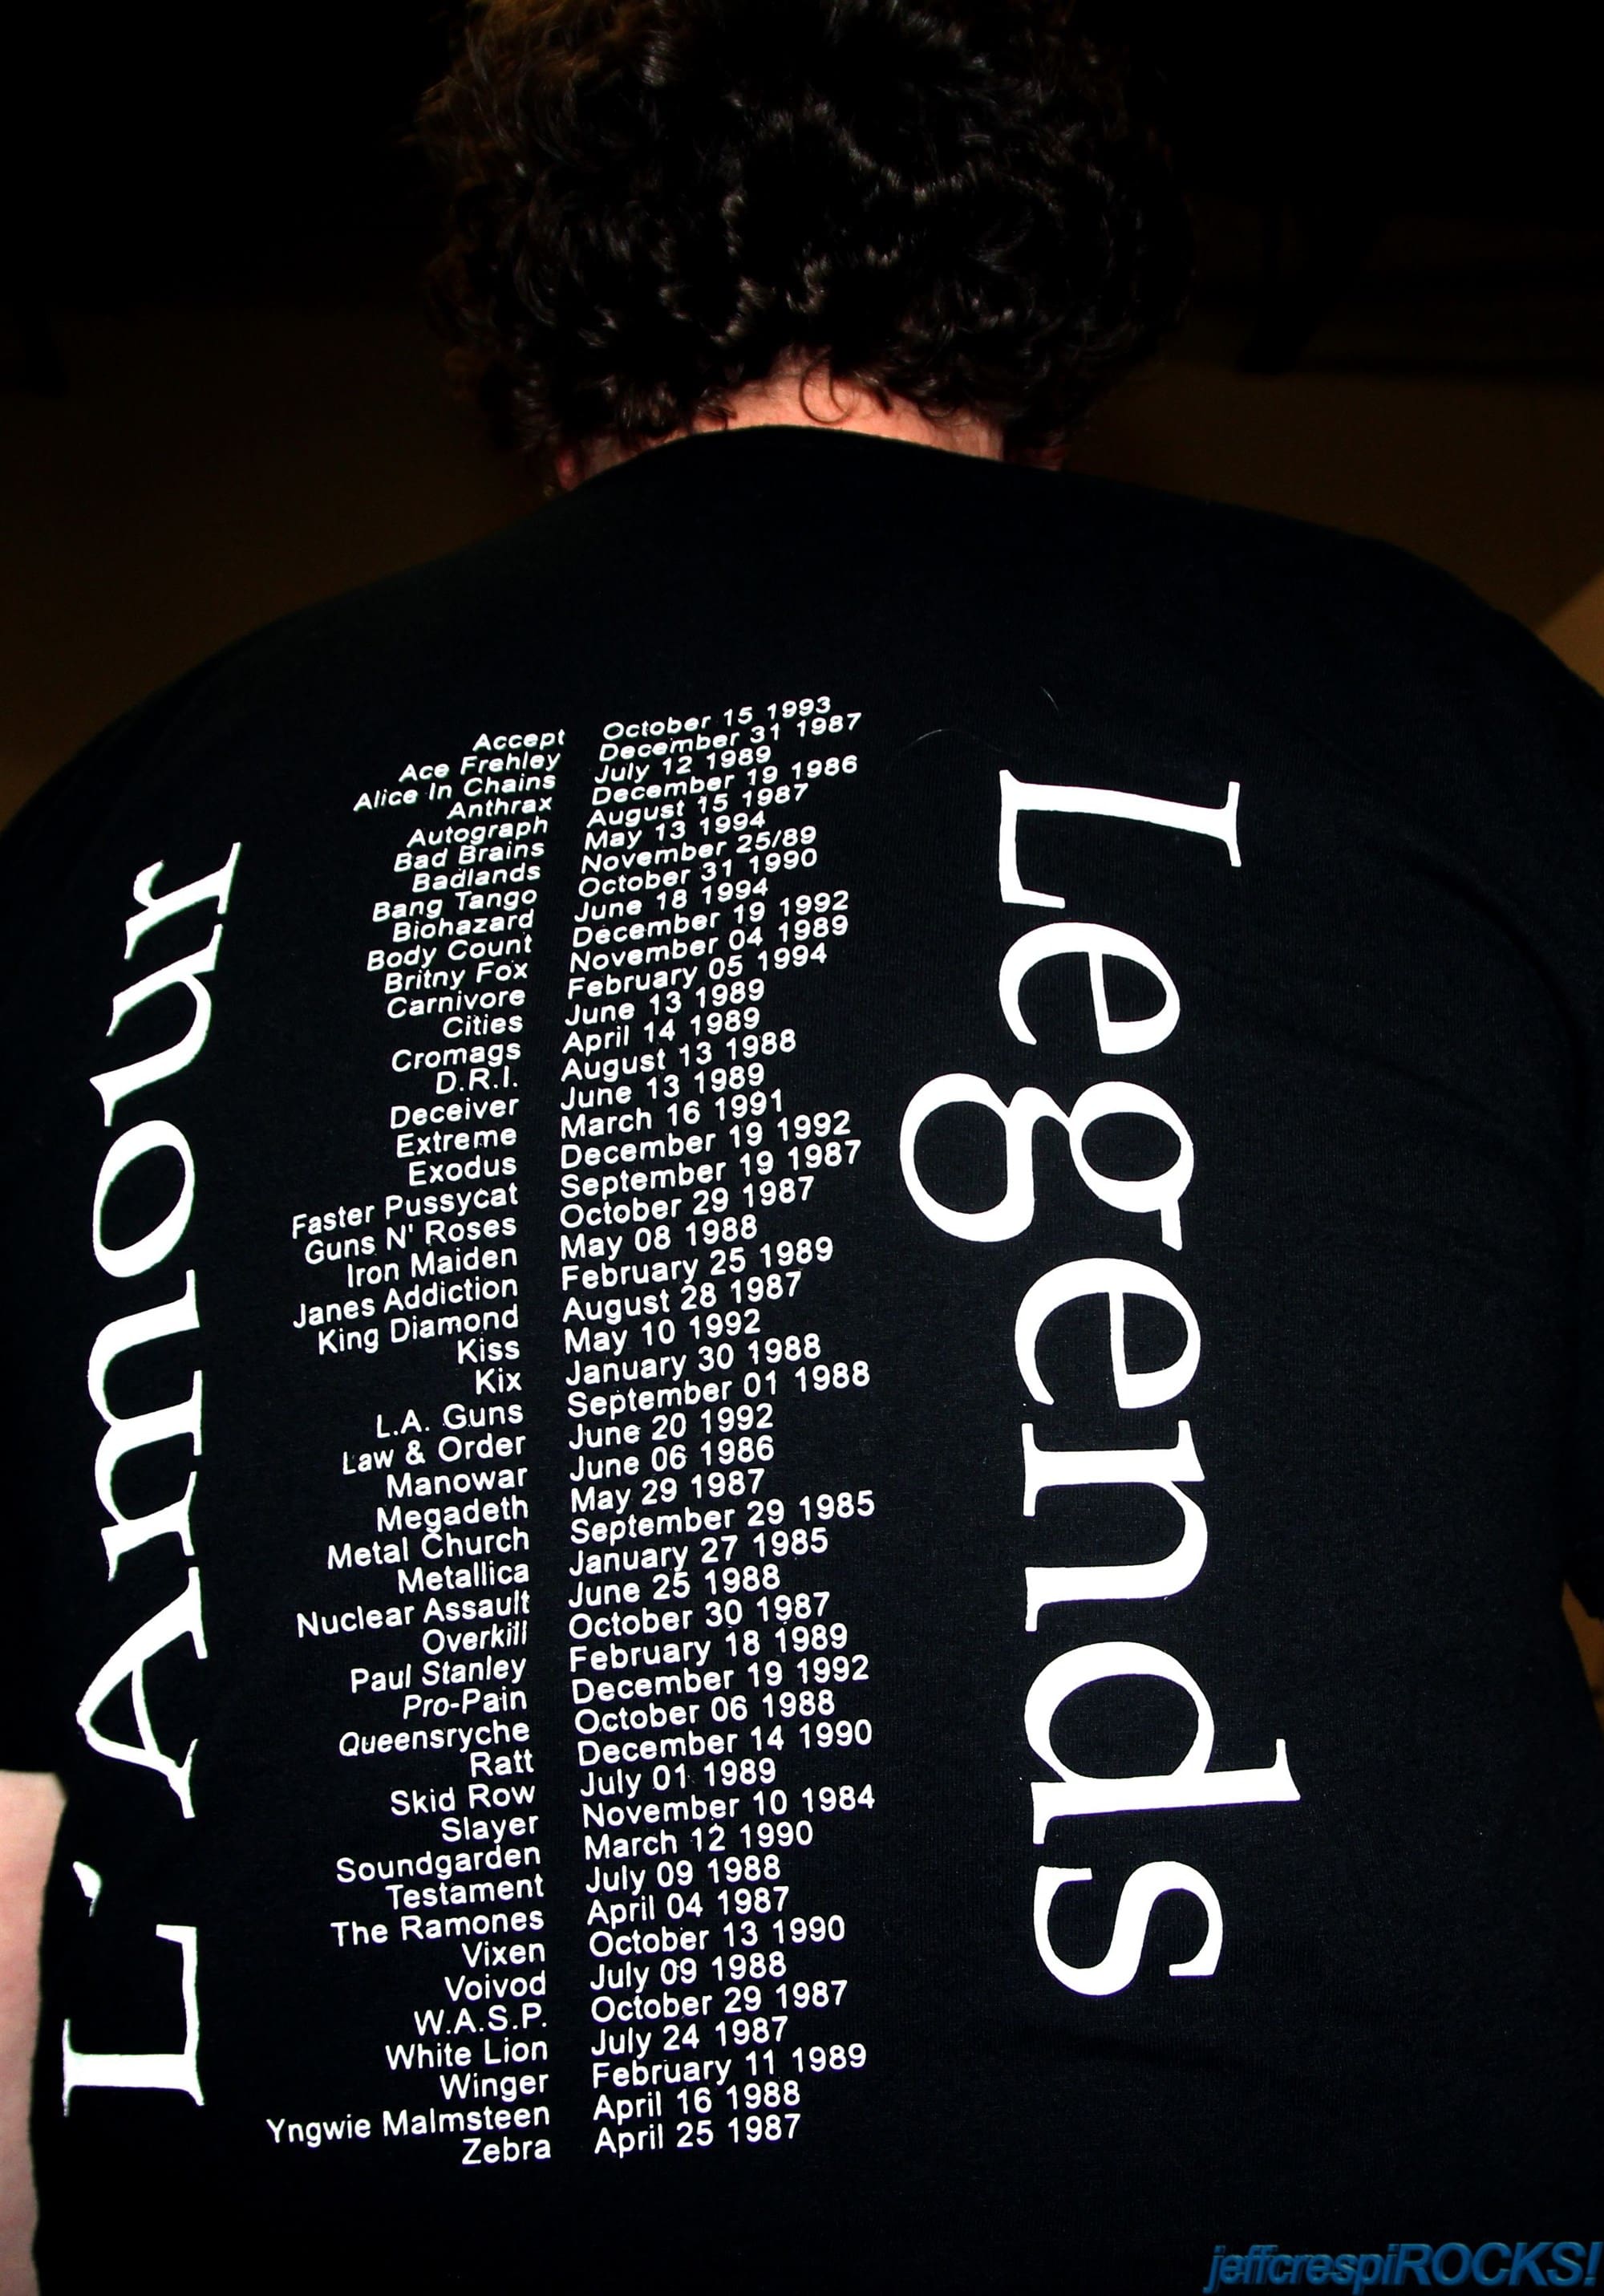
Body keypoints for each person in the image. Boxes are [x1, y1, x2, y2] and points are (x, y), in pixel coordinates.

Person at [3, 2, 1604, 2288]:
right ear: (1047, 367)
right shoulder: (1429, 697)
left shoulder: (113, 834)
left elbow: (16, 1821)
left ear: (542, 377)